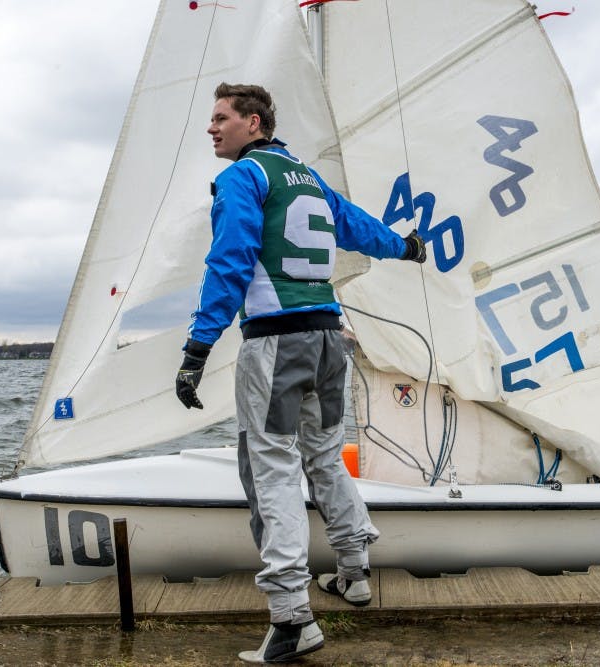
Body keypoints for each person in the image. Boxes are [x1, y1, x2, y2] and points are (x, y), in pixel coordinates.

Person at [175, 82, 427, 664]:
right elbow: (360, 229)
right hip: (329, 340)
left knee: (271, 467)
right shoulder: (306, 177)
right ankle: (354, 571)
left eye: (221, 118)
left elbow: (230, 260)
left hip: (276, 342)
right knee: (322, 454)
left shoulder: (243, 177)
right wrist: (406, 248)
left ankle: (291, 619)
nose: (212, 129)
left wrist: (197, 349)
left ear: (254, 123)